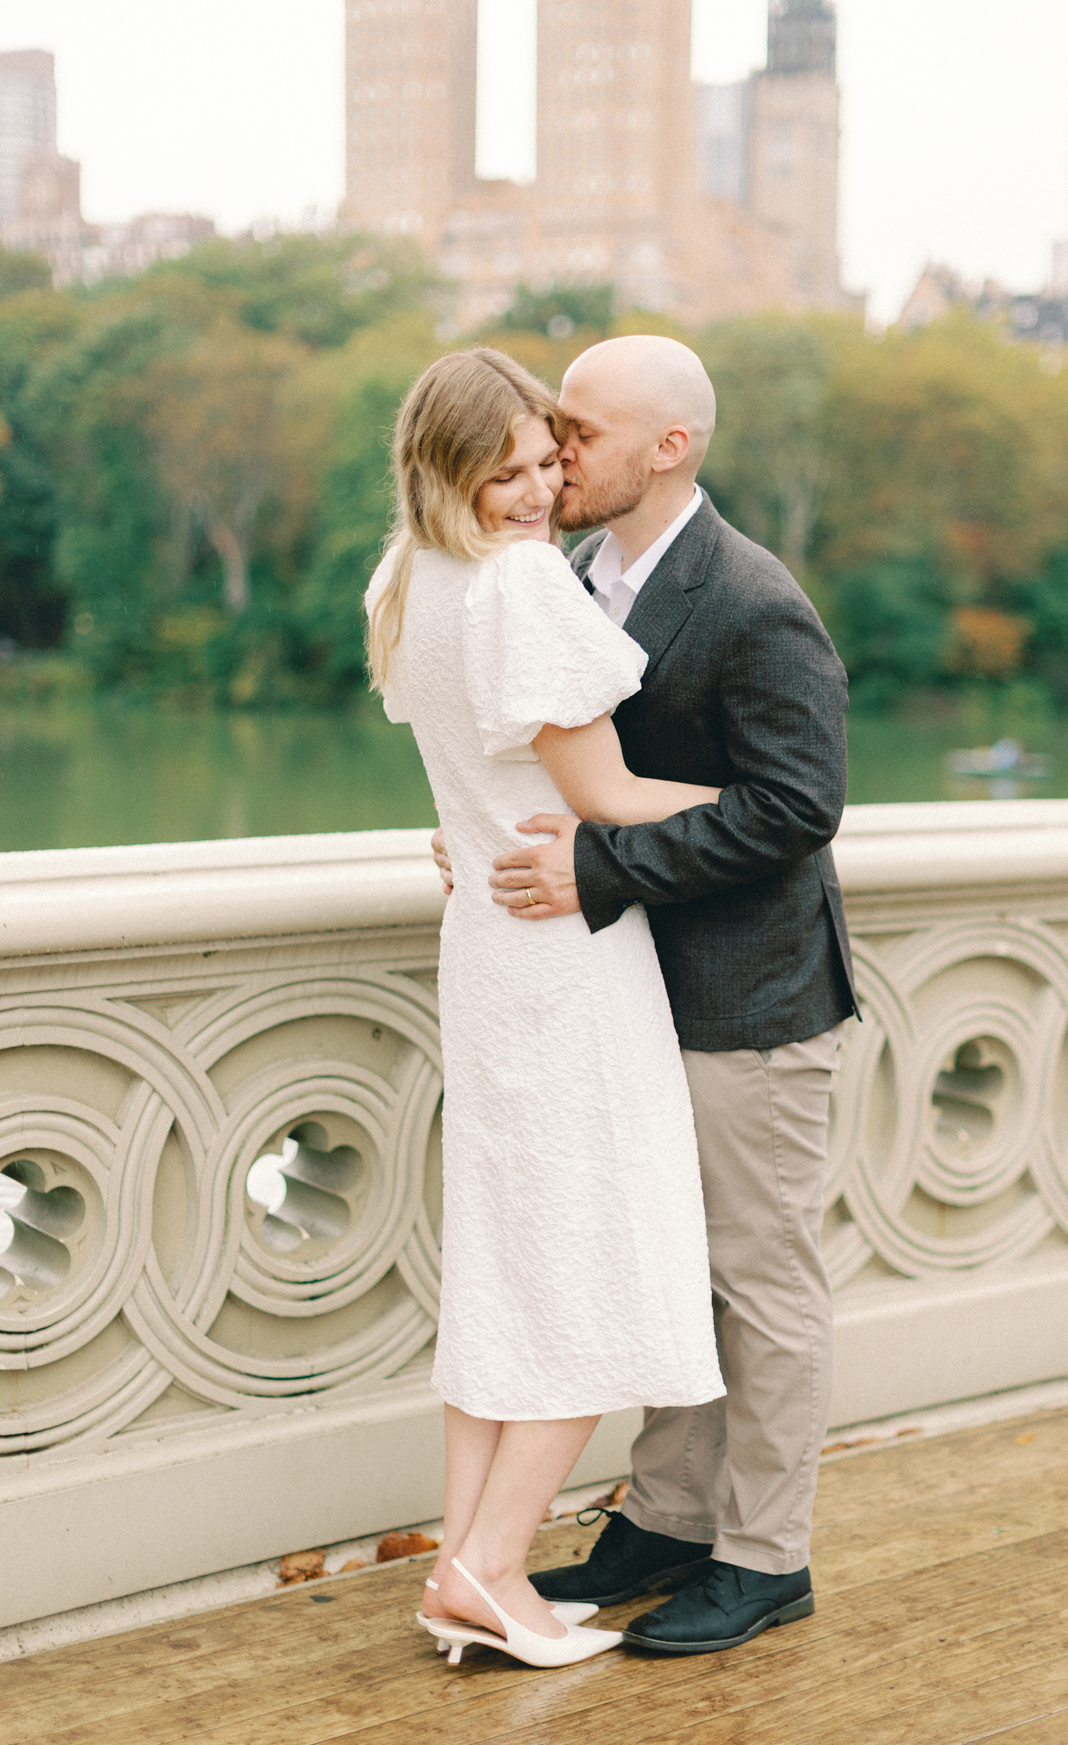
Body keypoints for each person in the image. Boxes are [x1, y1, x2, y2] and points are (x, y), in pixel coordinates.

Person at [438, 333, 859, 1656]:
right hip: (624, 999)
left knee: (758, 1281)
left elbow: (802, 808)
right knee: (666, 1267)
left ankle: (763, 1554)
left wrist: (600, 864)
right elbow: (565, 761)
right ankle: (669, 1519)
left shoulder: (752, 598)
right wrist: (486, 828)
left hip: (753, 997)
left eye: (581, 431)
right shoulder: (559, 577)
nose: (554, 453)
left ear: (669, 446)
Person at [364, 347, 725, 1671]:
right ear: (443, 471)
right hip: (562, 950)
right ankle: (494, 1566)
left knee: (514, 1263)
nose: (530, 495)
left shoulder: (407, 574)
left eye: (540, 463)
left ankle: (464, 1566)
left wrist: (470, 833)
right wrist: (770, 816)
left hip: (484, 938)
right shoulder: (522, 587)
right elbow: (613, 799)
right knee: (590, 1258)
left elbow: (469, 775)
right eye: (500, 472)